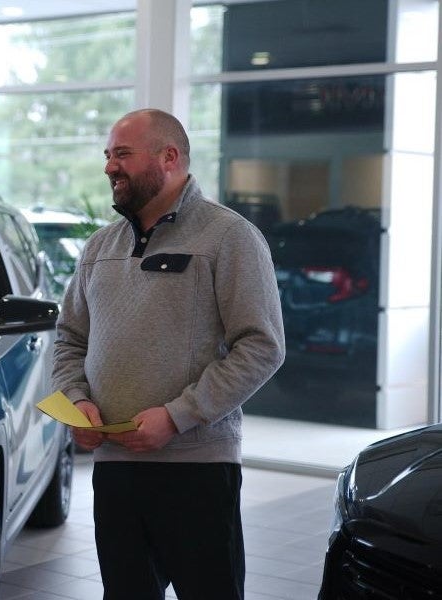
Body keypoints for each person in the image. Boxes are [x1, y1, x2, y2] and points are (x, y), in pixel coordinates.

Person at [52, 108, 285, 600]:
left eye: (122, 154)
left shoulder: (228, 237)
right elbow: (69, 340)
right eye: (107, 156)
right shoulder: (100, 247)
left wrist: (179, 416)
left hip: (196, 470)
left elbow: (262, 346)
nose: (110, 166)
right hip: (116, 468)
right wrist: (76, 400)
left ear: (169, 157)